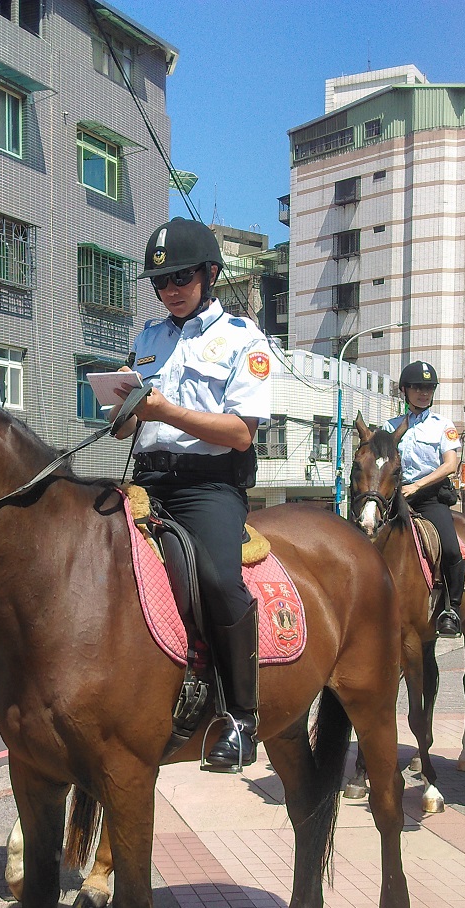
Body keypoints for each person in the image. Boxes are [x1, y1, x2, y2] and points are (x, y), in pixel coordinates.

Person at [111, 217, 274, 771]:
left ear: (209, 273)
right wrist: (122, 410)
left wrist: (164, 410)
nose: (170, 289)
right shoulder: (148, 339)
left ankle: (240, 718)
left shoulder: (244, 340)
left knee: (218, 579)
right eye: (160, 281)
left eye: (180, 276)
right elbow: (132, 422)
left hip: (207, 486)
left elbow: (240, 432)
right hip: (147, 478)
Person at [385, 361, 465, 637]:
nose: (423, 393)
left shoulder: (443, 425)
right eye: (417, 387)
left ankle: (450, 609)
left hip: (430, 498)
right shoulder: (390, 426)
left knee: (451, 549)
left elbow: (450, 465)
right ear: (404, 390)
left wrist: (417, 485)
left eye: (428, 388)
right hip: (396, 498)